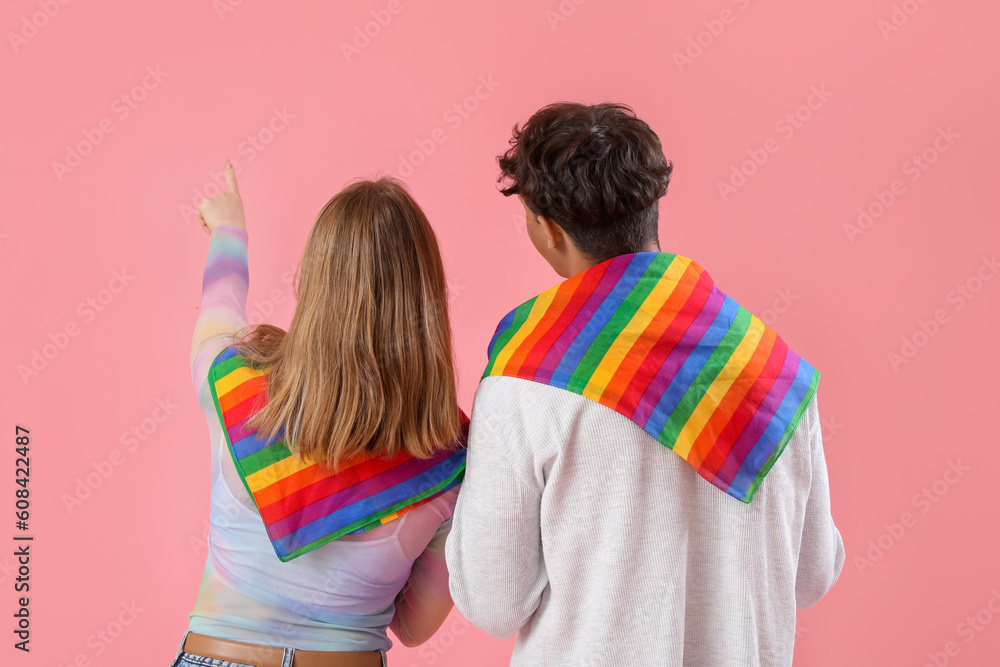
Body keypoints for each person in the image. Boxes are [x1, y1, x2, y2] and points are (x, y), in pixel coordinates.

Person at [445, 103, 845, 666]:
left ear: (548, 228)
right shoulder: (774, 367)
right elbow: (812, 574)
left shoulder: (525, 376)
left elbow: (493, 601)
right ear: (652, 206)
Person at [173, 162, 468, 667]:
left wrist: (229, 229)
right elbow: (415, 627)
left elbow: (218, 306)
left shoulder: (231, 384)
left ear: (310, 284)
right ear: (427, 304)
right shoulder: (450, 459)